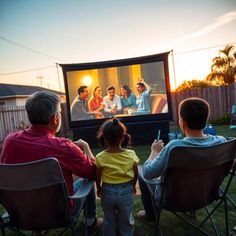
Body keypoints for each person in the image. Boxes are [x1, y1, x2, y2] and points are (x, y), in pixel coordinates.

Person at [0, 91, 102, 234]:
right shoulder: (64, 147)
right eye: (60, 112)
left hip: (21, 213)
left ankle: (38, 230)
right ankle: (91, 222)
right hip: (59, 215)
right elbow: (93, 172)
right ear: (55, 119)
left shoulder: (9, 141)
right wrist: (85, 147)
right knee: (86, 180)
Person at [137, 97, 226, 223]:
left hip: (172, 200)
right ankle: (190, 210)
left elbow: (148, 173)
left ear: (182, 122)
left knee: (141, 170)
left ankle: (151, 215)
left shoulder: (175, 146)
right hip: (206, 196)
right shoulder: (220, 142)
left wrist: (154, 151)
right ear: (205, 121)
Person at [95, 118, 139, 236]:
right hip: (126, 191)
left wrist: (99, 188)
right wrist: (133, 186)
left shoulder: (100, 157)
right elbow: (136, 173)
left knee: (108, 218)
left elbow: (97, 175)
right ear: (123, 137)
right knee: (125, 216)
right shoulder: (131, 154)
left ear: (104, 137)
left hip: (107, 191)